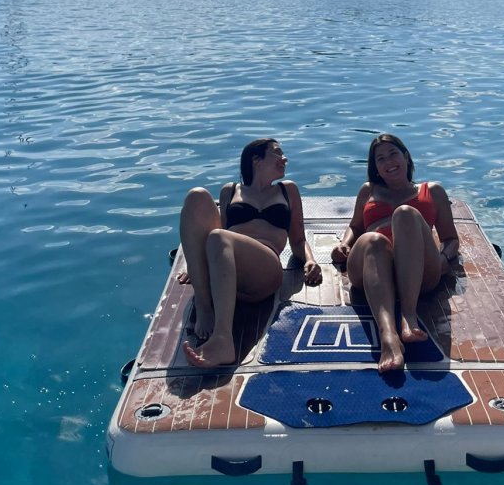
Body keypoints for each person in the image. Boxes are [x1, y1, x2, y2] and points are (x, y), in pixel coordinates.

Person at [179, 138, 321, 368]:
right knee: (197, 196)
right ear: (256, 160)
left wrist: (310, 260)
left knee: (219, 237)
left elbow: (298, 240)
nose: (284, 158)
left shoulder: (287, 190)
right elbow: (217, 233)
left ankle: (223, 339)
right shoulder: (230, 191)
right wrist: (195, 264)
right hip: (228, 265)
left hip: (264, 270)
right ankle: (205, 306)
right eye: (277, 153)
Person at [331, 134, 459, 374]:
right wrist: (345, 244)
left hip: (419, 271)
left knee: (405, 213)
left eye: (393, 154)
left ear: (406, 157)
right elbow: (356, 227)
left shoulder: (432, 191)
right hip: (374, 268)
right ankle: (388, 336)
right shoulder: (368, 190)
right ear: (376, 168)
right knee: (373, 239)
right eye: (380, 159)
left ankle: (408, 316)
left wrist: (444, 259)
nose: (388, 161)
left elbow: (451, 239)